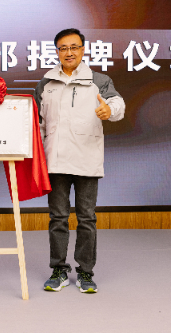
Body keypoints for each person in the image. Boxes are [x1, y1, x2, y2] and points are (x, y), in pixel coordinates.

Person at [34, 28, 125, 293]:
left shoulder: (99, 80)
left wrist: (109, 110)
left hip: (87, 159)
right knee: (58, 218)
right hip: (55, 161)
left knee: (86, 218)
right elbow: (38, 124)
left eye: (74, 47)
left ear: (83, 50)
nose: (69, 52)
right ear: (57, 52)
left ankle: (86, 272)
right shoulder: (46, 83)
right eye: (63, 48)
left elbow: (117, 104)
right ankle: (59, 270)